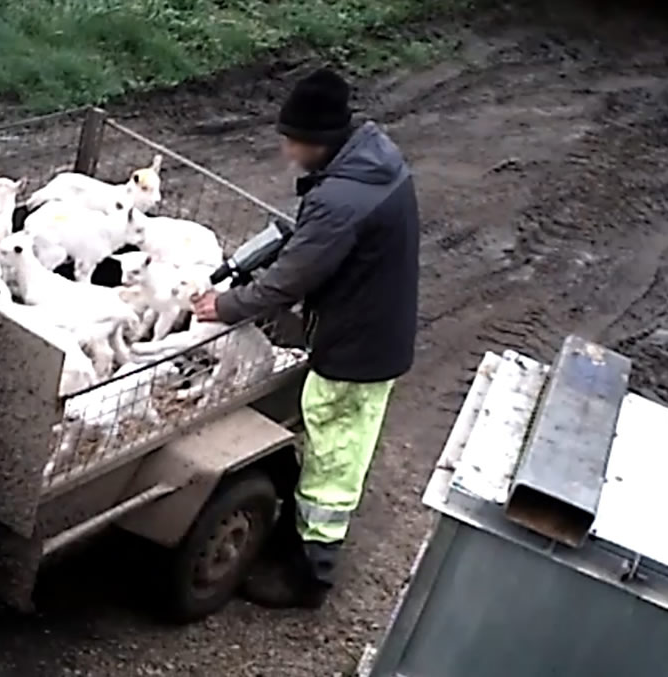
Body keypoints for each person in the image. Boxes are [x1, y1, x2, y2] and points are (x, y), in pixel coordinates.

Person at [191, 68, 420, 609]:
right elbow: (315, 250)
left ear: (317, 140)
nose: (286, 151)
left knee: (333, 454)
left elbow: (293, 278)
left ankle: (309, 576)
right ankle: (300, 540)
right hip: (375, 326)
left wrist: (222, 306)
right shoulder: (371, 160)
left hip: (357, 351)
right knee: (332, 442)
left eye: (290, 140)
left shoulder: (341, 199)